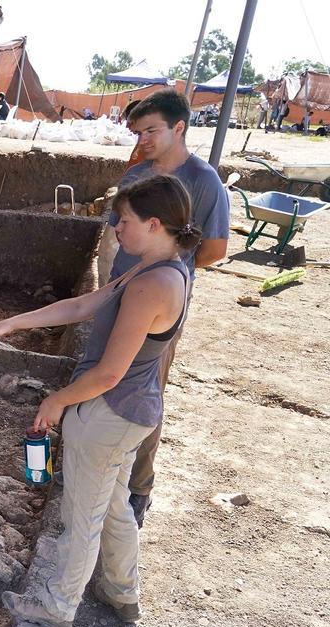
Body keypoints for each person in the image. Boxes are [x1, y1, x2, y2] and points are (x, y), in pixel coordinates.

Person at [0, 175, 197, 627]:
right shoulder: (149, 267)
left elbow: (110, 372)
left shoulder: (154, 284)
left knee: (82, 515)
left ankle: (58, 608)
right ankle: (122, 592)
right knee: (113, 506)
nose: (116, 227)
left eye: (125, 220)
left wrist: (57, 401)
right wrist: (11, 324)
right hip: (126, 411)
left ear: (154, 224)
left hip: (110, 412)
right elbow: (79, 307)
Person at [104, 89, 229, 527]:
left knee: (145, 388)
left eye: (152, 131)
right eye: (138, 133)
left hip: (157, 302)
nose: (144, 140)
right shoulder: (137, 172)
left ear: (179, 127)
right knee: (108, 373)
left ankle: (138, 487)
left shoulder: (203, 180)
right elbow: (117, 223)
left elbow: (213, 249)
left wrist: (166, 266)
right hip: (121, 287)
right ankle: (105, 466)